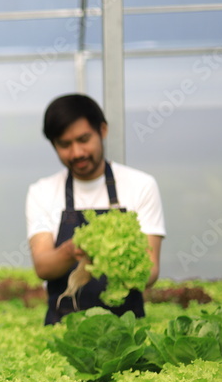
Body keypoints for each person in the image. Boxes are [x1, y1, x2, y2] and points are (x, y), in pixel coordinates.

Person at [26, 93, 165, 325]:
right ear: (54, 145)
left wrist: (115, 256)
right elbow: (43, 266)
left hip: (126, 331)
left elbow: (150, 272)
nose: (77, 152)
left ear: (102, 130)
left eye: (83, 139)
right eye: (64, 144)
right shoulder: (42, 191)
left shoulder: (141, 185)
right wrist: (71, 251)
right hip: (65, 329)